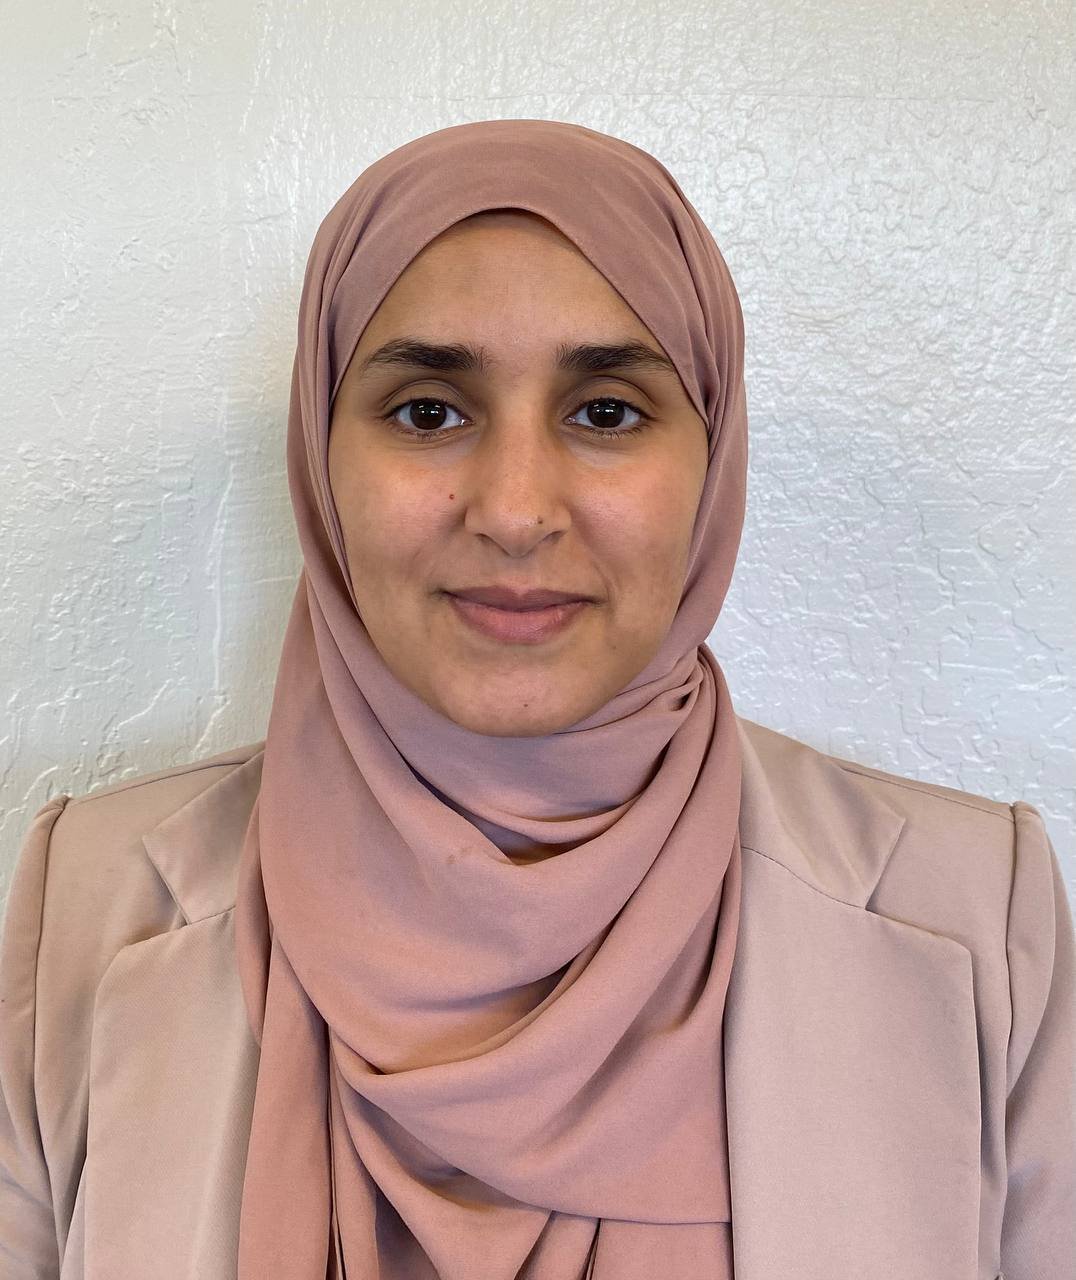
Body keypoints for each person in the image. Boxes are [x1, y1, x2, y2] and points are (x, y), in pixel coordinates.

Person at [0, 119, 1072, 1280]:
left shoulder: (973, 915)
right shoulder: (92, 907)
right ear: (320, 453)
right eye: (427, 410)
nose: (514, 510)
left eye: (604, 411)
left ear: (711, 455)